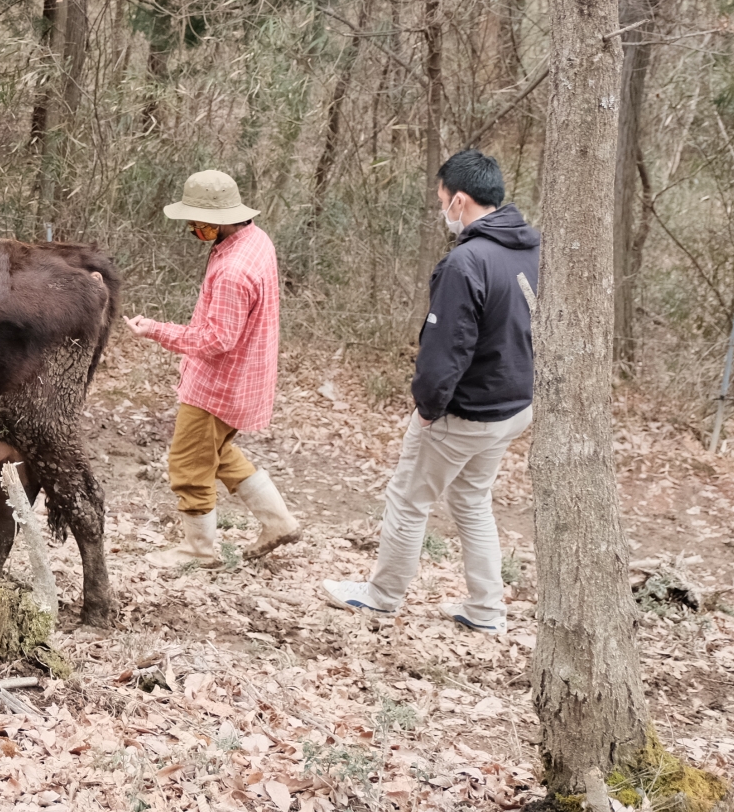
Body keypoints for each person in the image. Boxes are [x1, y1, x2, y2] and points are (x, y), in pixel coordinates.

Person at [323, 148, 538, 634]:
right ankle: (486, 610)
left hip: (468, 409)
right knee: (471, 498)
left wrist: (428, 406)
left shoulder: (466, 263)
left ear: (460, 200)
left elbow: (447, 348)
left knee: (409, 497)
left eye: (442, 200)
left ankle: (381, 596)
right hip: (514, 404)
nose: (441, 209)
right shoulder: (530, 248)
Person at [126, 170, 301, 568]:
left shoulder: (233, 270)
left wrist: (155, 330)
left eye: (197, 224)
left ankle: (198, 550)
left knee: (188, 464)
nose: (192, 229)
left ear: (220, 220)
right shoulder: (255, 239)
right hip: (244, 378)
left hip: (218, 385)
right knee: (217, 452)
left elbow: (215, 340)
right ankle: (280, 523)